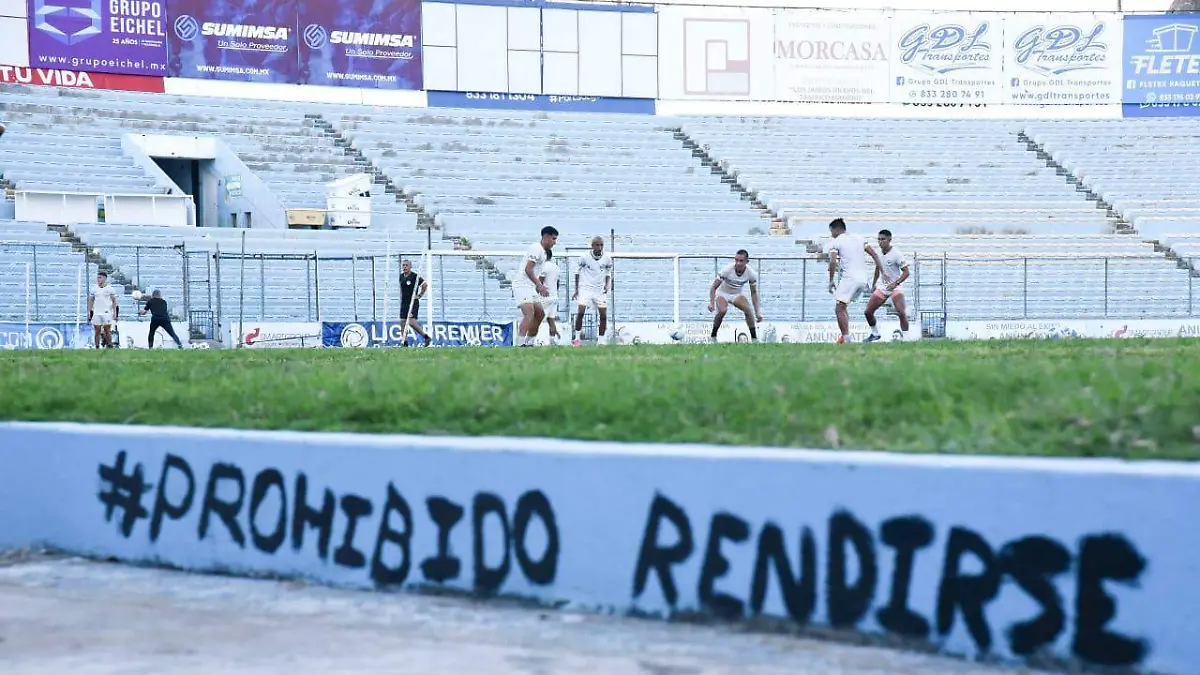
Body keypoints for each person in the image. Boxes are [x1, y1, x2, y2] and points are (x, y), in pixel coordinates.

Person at [826, 218, 884, 344]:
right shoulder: (859, 238)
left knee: (839, 309)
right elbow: (875, 255)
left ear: (836, 229)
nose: (831, 234)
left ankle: (846, 339)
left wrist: (830, 280)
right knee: (843, 306)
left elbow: (832, 261)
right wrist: (881, 272)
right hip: (863, 280)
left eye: (831, 231)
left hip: (850, 278)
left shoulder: (836, 242)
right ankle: (869, 333)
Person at [513, 226, 559, 347]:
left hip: (530, 286)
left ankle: (530, 342)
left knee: (540, 314)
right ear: (546, 237)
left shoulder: (543, 252)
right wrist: (539, 285)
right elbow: (528, 269)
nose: (555, 242)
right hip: (522, 285)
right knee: (529, 313)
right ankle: (520, 344)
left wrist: (538, 285)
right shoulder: (536, 248)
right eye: (553, 239)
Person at [865, 229, 911, 343]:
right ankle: (875, 334)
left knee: (901, 312)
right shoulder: (878, 254)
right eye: (879, 239)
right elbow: (877, 269)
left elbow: (906, 272)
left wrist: (895, 283)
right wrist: (874, 284)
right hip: (883, 287)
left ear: (889, 240)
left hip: (895, 286)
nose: (880, 242)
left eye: (883, 239)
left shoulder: (896, 254)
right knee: (868, 312)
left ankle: (906, 337)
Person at [708, 249, 763, 342]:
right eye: (736, 260)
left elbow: (753, 293)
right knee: (722, 311)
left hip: (736, 294)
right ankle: (713, 336)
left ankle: (754, 338)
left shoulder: (751, 274)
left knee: (748, 310)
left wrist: (758, 312)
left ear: (747, 262)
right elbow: (713, 288)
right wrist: (712, 303)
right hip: (722, 293)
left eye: (741, 261)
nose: (738, 263)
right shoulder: (726, 270)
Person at [572, 236, 612, 347]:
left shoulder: (607, 258)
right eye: (597, 245)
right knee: (580, 313)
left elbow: (608, 272)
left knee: (603, 316)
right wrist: (576, 290)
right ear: (592, 245)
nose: (599, 247)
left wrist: (607, 285)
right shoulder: (584, 257)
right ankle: (577, 339)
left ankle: (601, 340)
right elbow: (577, 272)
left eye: (601, 245)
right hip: (585, 289)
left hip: (599, 290)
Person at [399, 260, 432, 346]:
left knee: (411, 322)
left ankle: (426, 337)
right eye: (403, 265)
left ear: (410, 267)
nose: (404, 267)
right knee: (402, 322)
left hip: (413, 302)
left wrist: (419, 295)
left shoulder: (414, 276)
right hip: (404, 302)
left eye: (406, 265)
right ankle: (404, 342)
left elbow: (425, 285)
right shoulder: (401, 276)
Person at [88, 271, 119, 349]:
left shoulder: (110, 289)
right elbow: (91, 300)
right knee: (97, 330)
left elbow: (114, 301)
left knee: (107, 330)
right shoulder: (94, 288)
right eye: (97, 277)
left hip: (107, 312)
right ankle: (97, 346)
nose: (98, 279)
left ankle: (110, 345)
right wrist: (89, 311)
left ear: (105, 278)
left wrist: (115, 312)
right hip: (96, 312)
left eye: (100, 277)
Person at [540, 258, 563, 345]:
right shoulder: (556, 267)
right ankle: (552, 340)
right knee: (551, 319)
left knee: (536, 319)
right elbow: (557, 284)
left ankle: (530, 340)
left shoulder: (543, 267)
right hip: (554, 296)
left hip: (545, 297)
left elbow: (540, 283)